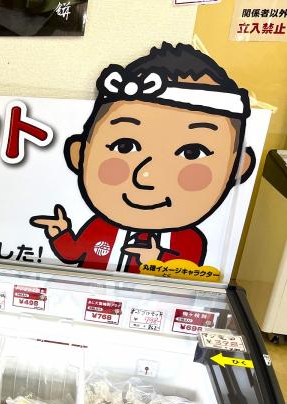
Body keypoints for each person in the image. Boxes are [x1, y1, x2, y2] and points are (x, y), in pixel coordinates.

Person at [30, 43, 255, 273]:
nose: (146, 176)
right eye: (125, 146)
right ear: (80, 155)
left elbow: (188, 270)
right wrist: (60, 232)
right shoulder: (100, 227)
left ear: (236, 168)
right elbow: (73, 253)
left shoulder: (188, 240)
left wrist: (157, 259)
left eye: (192, 152)